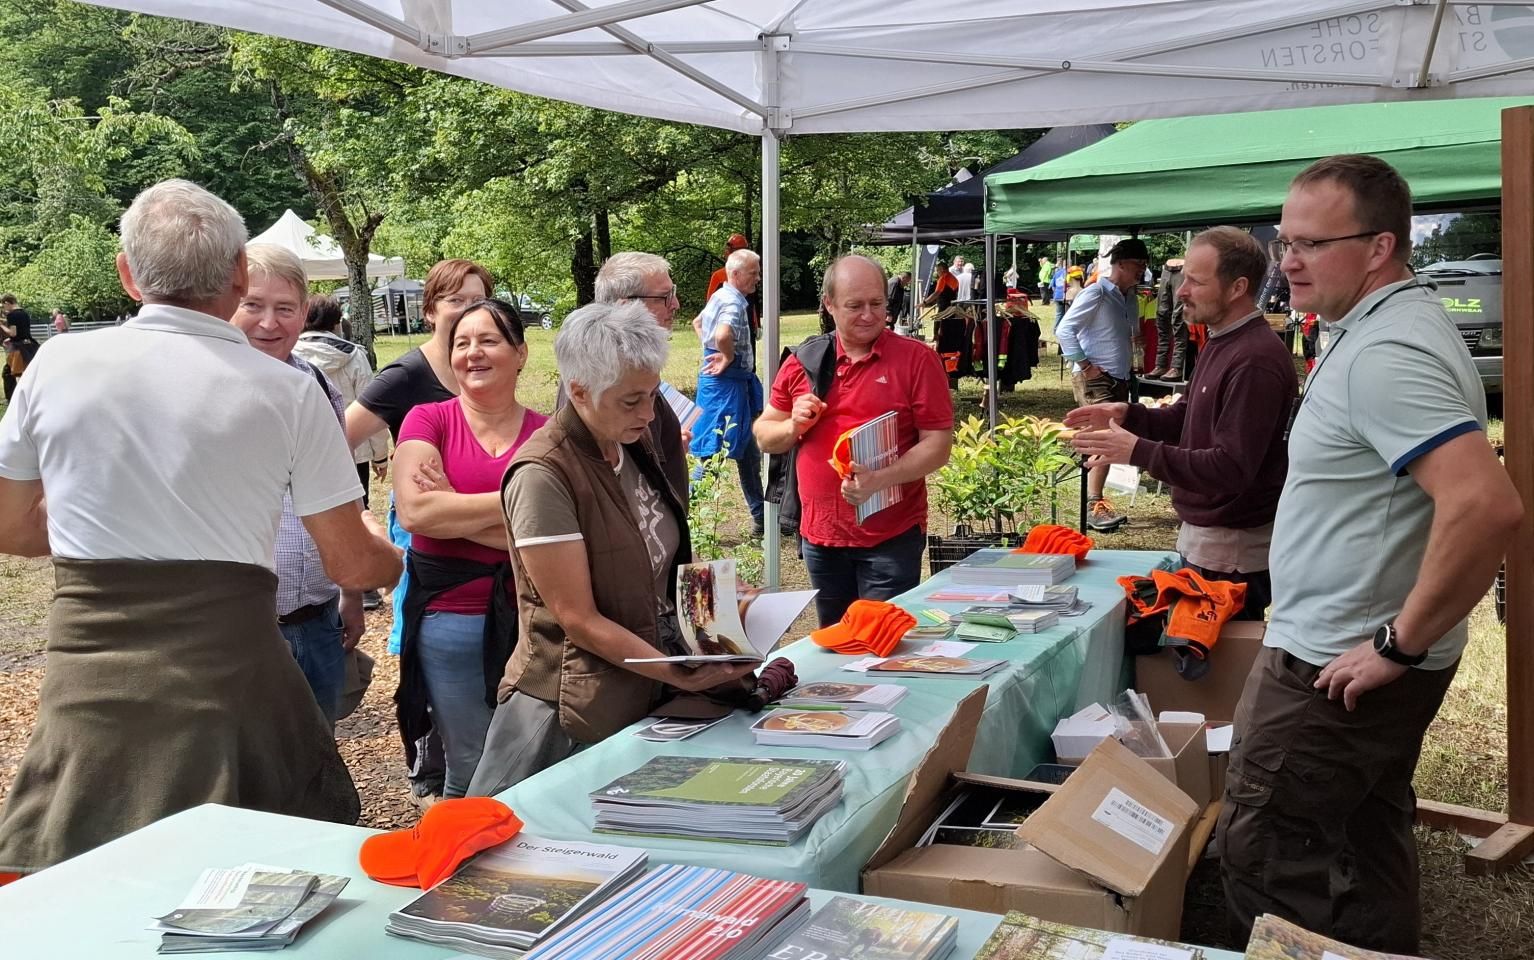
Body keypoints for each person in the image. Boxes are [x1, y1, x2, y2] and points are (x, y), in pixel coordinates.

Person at [0, 179, 401, 874]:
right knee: (247, 894)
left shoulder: (56, 364)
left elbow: (14, 530)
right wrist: (398, 558)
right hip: (228, 691)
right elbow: (351, 565)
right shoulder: (287, 390)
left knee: (91, 887)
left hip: (90, 689)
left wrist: (107, 527)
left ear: (127, 275)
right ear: (240, 273)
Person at [1217, 155, 1522, 953]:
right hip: (1350, 650)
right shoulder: (1385, 327)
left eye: (1312, 244)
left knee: (1269, 855)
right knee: (1363, 832)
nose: (1287, 260)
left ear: (1381, 246)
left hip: (1335, 661)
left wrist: (1398, 641)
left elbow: (1486, 505)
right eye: (1286, 240)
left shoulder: (1388, 352)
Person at [467, 302, 757, 795]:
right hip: (567, 706)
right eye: (631, 401)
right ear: (578, 391)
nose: (649, 414)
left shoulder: (627, 441)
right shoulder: (543, 474)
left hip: (633, 687)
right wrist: (677, 672)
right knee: (506, 844)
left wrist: (716, 600)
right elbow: (576, 617)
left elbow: (649, 560)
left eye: (652, 395)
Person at [1065, 227, 1296, 620]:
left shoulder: (1254, 358)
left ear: (1238, 287)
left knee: (1211, 673)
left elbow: (1231, 468)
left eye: (1195, 280)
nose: (1181, 290)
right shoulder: (1223, 339)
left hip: (1232, 552)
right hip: (1209, 539)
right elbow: (1187, 418)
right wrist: (1130, 415)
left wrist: (1137, 451)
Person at [345, 258, 492, 804]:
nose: (465, 312)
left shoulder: (486, 365)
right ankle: (430, 767)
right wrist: (354, 512)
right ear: (430, 310)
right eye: (454, 300)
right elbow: (337, 443)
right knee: (422, 653)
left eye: (476, 300)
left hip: (486, 541)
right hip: (426, 540)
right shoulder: (407, 376)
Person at [394, 298, 546, 798]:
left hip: (534, 621)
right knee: (470, 761)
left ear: (520, 353)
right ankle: (457, 867)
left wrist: (454, 505)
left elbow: (561, 534)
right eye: (462, 343)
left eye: (488, 340)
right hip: (448, 619)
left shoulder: (549, 434)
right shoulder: (428, 419)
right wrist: (514, 514)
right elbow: (415, 513)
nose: (473, 353)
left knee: (531, 755)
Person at [755, 255, 954, 627]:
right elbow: (766, 435)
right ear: (829, 305)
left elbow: (938, 445)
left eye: (877, 304)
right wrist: (794, 426)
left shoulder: (917, 360)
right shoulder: (804, 361)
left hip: (890, 537)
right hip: (821, 537)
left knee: (882, 643)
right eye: (855, 305)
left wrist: (880, 479)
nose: (868, 314)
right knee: (836, 644)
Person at [229, 243, 368, 726]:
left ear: (304, 313)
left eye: (284, 308)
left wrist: (351, 590)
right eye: (253, 305)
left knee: (318, 752)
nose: (269, 322)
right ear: (228, 303)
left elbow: (342, 493)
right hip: (240, 629)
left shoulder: (318, 386)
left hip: (316, 614)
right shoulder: (209, 385)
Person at [1055, 237, 1149, 532]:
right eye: (1139, 264)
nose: (1143, 271)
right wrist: (1085, 365)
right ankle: (1093, 506)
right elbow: (1064, 330)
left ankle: (1094, 501)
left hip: (1119, 376)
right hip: (1096, 378)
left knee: (1108, 436)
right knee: (1106, 437)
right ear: (1120, 263)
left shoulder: (1129, 297)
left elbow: (1128, 333)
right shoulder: (1096, 293)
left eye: (1146, 265)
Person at [593, 251, 690, 495]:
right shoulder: (597, 374)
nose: (675, 304)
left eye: (673, 293)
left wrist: (670, 448)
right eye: (664, 297)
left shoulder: (633, 367)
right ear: (625, 305)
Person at [690, 248, 766, 537]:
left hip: (727, 388)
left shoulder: (719, 296)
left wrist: (710, 348)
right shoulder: (733, 303)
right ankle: (682, 514)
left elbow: (698, 324)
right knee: (711, 456)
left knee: (748, 454)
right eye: (753, 273)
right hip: (727, 390)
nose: (757, 279)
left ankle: (760, 518)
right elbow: (722, 335)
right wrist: (726, 356)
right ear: (735, 274)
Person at [296, 293, 389, 514]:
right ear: (337, 322)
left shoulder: (288, 353)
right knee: (358, 513)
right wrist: (380, 455)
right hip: (353, 449)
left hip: (303, 452)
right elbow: (372, 406)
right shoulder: (355, 356)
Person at [704, 233, 757, 339]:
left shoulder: (750, 275)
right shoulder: (719, 276)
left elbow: (752, 303)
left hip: (745, 327)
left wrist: (755, 324)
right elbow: (710, 304)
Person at [1146, 257, 1187, 381]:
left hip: (1182, 270)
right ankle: (1161, 365)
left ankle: (1176, 367)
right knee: (1162, 315)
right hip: (1167, 269)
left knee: (1178, 318)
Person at [0, 295, 38, 401]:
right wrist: (10, 340)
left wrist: (1, 326)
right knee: (28, 373)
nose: (3, 308)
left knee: (8, 374)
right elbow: (23, 332)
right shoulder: (24, 313)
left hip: (19, 349)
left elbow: (13, 333)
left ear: (8, 303)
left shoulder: (12, 315)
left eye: (3, 305)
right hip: (30, 346)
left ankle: (12, 399)